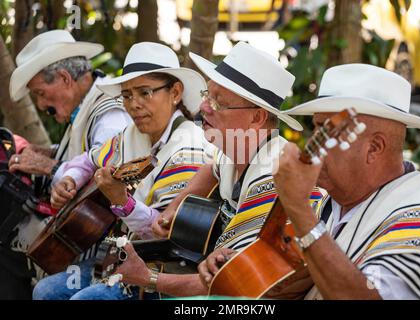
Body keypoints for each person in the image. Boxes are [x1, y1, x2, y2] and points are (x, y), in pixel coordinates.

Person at [202, 63, 420, 300]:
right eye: (315, 130)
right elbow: (295, 274)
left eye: (326, 133)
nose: (311, 146)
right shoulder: (333, 205)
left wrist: (298, 208)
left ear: (374, 148)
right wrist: (238, 265)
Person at [110, 42, 322, 299]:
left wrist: (149, 278)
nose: (204, 108)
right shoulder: (235, 151)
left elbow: (231, 283)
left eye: (219, 103)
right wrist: (175, 207)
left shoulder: (270, 176)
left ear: (256, 118)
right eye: (207, 95)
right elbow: (213, 168)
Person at [32, 42, 212, 300]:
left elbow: (162, 233)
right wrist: (70, 178)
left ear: (175, 92)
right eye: (127, 95)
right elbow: (89, 159)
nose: (133, 104)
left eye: (145, 92)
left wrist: (121, 202)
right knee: (45, 291)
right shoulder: (131, 135)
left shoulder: (188, 149)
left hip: (163, 268)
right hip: (121, 256)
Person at [2, 30, 130, 299]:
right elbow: (85, 154)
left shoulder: (109, 113)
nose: (40, 104)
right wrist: (48, 153)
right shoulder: (86, 107)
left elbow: (105, 174)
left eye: (40, 93)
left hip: (114, 248)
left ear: (64, 79)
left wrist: (48, 167)